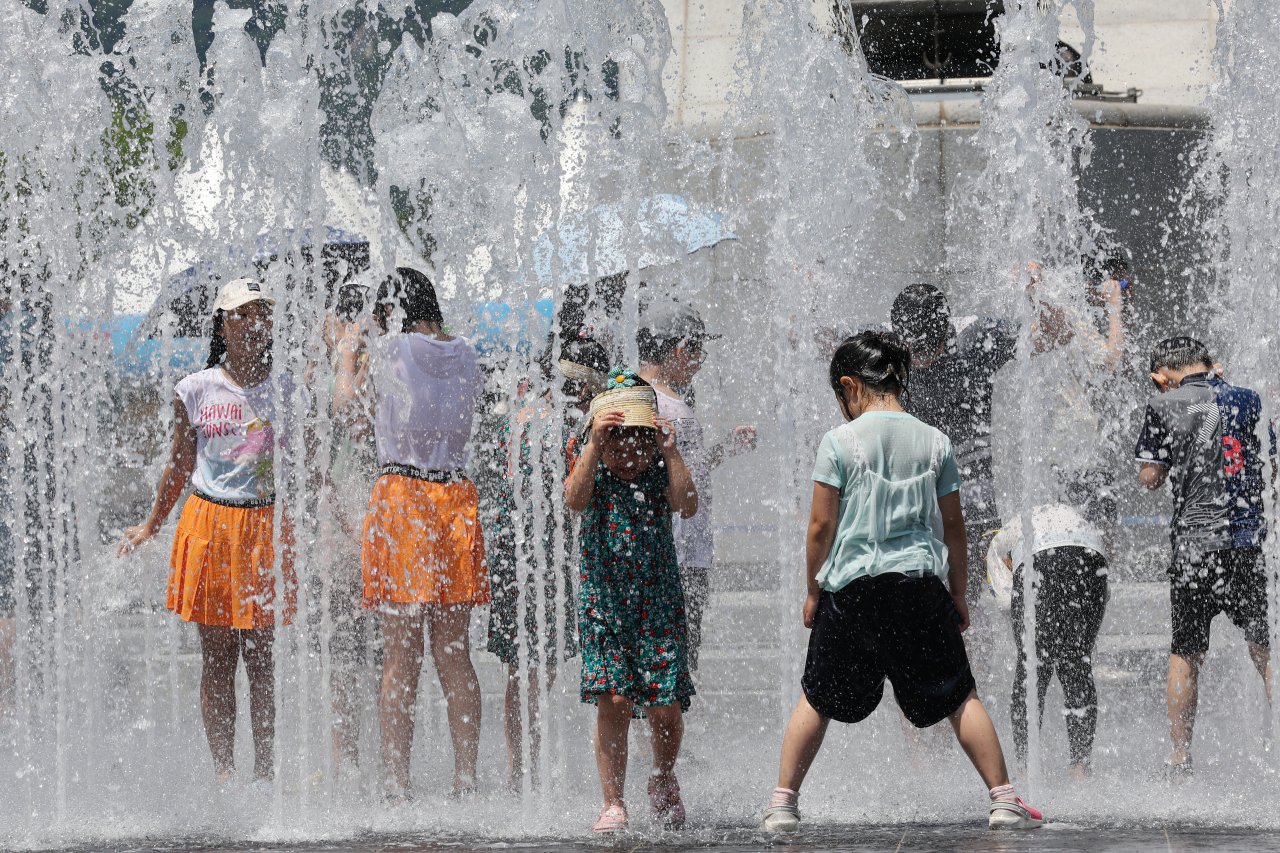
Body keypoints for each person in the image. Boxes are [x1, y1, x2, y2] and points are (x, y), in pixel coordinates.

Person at [758, 331, 1042, 834]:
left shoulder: (838, 442)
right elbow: (954, 528)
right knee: (960, 697)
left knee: (816, 698)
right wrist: (957, 593)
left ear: (849, 386)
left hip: (852, 588)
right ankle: (1003, 800)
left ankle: (782, 805)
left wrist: (812, 591)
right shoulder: (936, 440)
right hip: (917, 585)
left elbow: (821, 527)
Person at [117, 278, 301, 788]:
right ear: (222, 323)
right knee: (217, 658)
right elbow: (178, 465)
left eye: (262, 313)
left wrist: (326, 520)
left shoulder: (289, 390)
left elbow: (307, 466)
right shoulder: (195, 388)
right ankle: (225, 773)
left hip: (264, 526)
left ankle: (264, 775)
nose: (252, 322)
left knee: (261, 660)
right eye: (242, 313)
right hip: (209, 525)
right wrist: (152, 525)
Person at [334, 266, 487, 802]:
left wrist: (348, 354)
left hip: (402, 499)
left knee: (401, 653)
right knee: (453, 649)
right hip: (457, 500)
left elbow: (346, 414)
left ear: (387, 313)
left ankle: (397, 785)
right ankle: (466, 780)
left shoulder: (387, 351)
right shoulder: (468, 353)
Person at [564, 368, 698, 833]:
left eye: (637, 443)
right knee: (614, 700)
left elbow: (688, 504)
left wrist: (670, 450)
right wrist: (594, 446)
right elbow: (574, 500)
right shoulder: (593, 458)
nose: (627, 456)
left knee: (664, 704)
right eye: (617, 444)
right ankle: (613, 803)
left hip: (657, 598)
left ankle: (662, 778)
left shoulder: (661, 462)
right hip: (604, 599)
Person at [1135, 336, 1272, 782]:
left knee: (1186, 651)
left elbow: (1150, 478)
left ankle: (1179, 756)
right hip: (1249, 542)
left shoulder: (1165, 405)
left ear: (1161, 376)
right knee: (1266, 649)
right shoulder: (1248, 399)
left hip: (1195, 546)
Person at [484, 336, 609, 791]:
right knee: (540, 669)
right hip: (547, 557)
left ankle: (522, 770)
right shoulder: (572, 425)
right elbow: (576, 499)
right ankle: (527, 771)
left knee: (523, 671)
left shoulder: (517, 416)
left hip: (511, 553)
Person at [637, 300, 756, 672]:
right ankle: (669, 731)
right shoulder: (667, 407)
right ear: (679, 349)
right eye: (698, 350)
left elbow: (683, 470)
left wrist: (724, 449)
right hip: (678, 555)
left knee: (655, 667)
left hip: (659, 552)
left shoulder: (640, 398)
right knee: (676, 668)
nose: (701, 362)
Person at [890, 284, 1017, 607]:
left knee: (974, 614)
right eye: (912, 351)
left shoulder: (978, 338)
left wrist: (1037, 292)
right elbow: (814, 340)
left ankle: (975, 660)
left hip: (974, 506)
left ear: (947, 328)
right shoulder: (885, 346)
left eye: (930, 348)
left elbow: (1050, 333)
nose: (920, 360)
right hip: (915, 512)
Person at [986, 505, 1108, 781]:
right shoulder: (1056, 516)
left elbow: (1006, 601)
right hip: (1092, 555)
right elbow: (1103, 595)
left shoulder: (996, 546)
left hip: (1040, 557)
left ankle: (1025, 769)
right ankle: (1080, 768)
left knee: (1031, 669)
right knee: (1077, 665)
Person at [317, 284, 379, 785]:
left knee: (380, 647)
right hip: (335, 523)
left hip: (376, 517)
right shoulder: (318, 373)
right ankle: (344, 759)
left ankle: (384, 761)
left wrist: (351, 357)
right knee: (341, 649)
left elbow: (352, 419)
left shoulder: (379, 365)